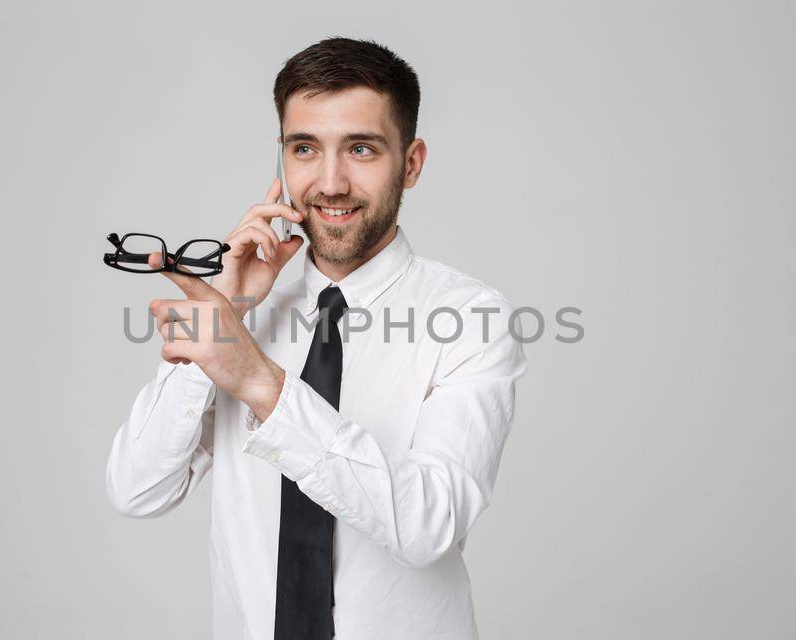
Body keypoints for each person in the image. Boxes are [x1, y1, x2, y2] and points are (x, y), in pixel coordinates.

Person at [104, 37, 528, 640]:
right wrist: (226, 313)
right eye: (305, 148)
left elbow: (431, 524)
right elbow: (137, 490)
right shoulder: (240, 318)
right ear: (282, 158)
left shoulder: (472, 318)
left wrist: (262, 383)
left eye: (361, 148)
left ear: (411, 162)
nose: (330, 183)